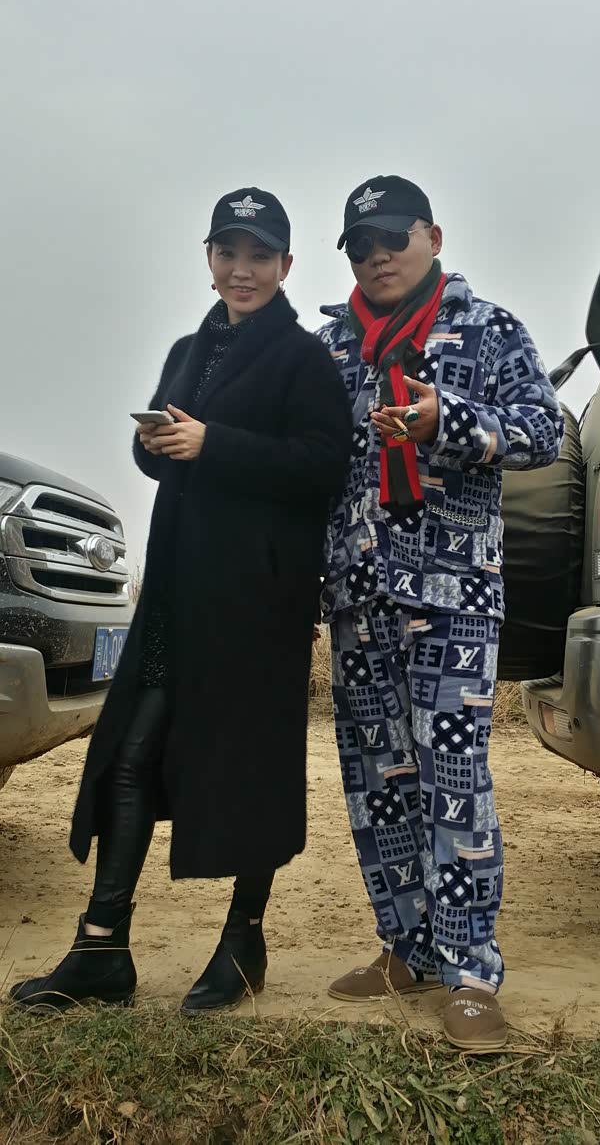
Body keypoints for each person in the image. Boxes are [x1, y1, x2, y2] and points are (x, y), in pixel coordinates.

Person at [10, 187, 353, 1015]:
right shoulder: (185, 351)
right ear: (208, 259)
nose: (243, 269)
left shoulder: (304, 359)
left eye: (259, 255)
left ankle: (243, 941)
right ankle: (102, 949)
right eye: (228, 252)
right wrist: (153, 445)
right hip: (175, 589)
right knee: (130, 753)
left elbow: (323, 466)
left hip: (260, 598)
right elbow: (166, 464)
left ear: (286, 266)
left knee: (252, 766)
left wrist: (213, 442)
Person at [317, 175, 563, 1052]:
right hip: (358, 596)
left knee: (453, 780)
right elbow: (311, 462)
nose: (377, 255)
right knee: (375, 783)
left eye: (393, 237)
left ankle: (469, 976)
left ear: (433, 236)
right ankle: (407, 949)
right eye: (360, 244)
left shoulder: (490, 329)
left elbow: (544, 430)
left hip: (454, 594)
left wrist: (446, 421)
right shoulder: (333, 346)